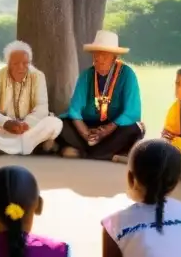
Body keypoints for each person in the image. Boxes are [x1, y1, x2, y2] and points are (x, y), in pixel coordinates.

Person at [57, 30, 145, 162]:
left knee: (134, 128)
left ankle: (84, 152)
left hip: (115, 127)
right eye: (96, 54)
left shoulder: (127, 74)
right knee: (61, 124)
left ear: (114, 57)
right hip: (88, 126)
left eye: (104, 55)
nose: (98, 59)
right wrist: (86, 133)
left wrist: (106, 131)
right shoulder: (86, 75)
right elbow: (75, 109)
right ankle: (108, 154)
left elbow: (132, 111)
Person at [0, 41, 64, 157]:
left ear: (30, 62)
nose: (21, 68)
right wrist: (5, 122)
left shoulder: (38, 76)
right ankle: (29, 147)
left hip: (29, 129)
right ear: (8, 63)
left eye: (25, 63)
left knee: (54, 123)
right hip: (3, 128)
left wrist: (27, 124)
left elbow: (42, 107)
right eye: (15, 64)